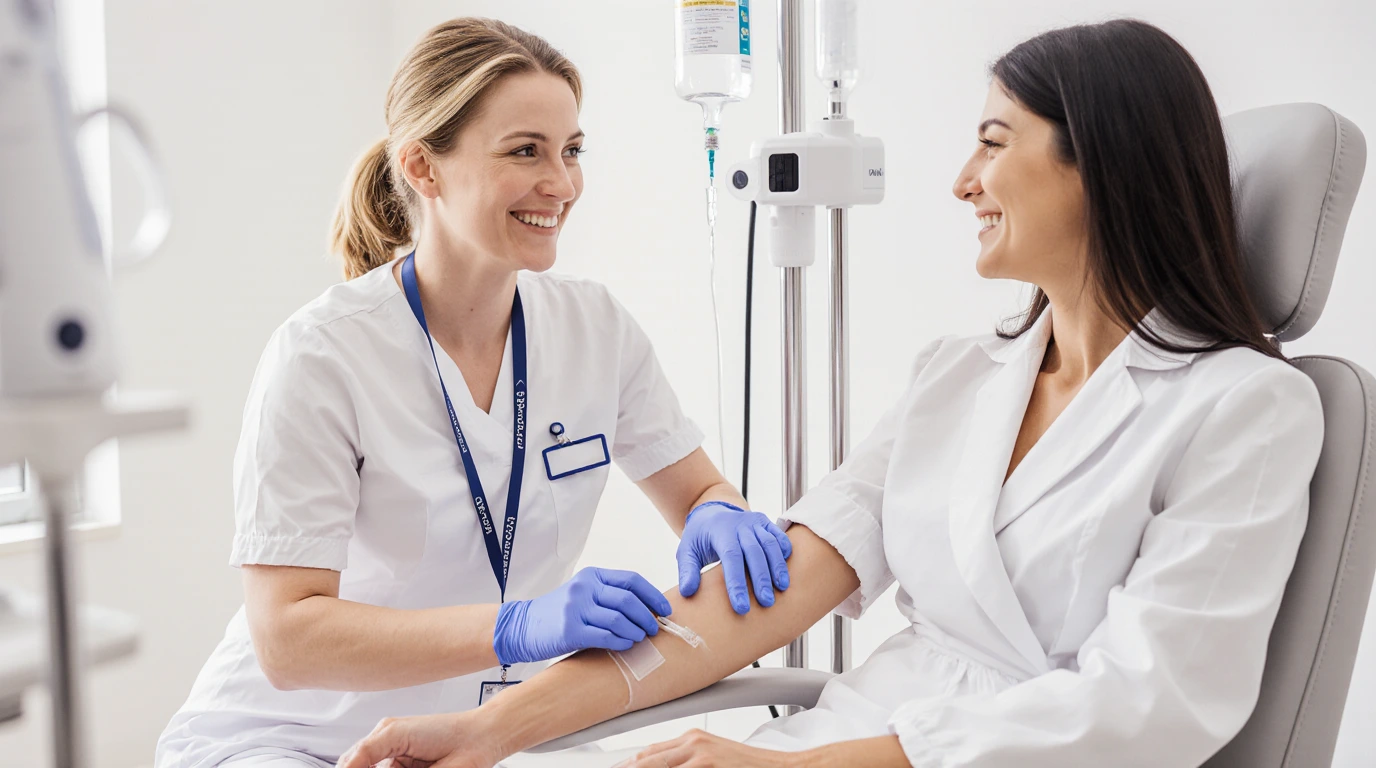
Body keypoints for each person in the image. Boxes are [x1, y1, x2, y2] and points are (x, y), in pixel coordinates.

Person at [336, 19, 1325, 768]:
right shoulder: (958, 373)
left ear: (1100, 166)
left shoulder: (1244, 409)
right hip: (855, 729)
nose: (959, 181)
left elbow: (1150, 708)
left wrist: (798, 765)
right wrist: (482, 731)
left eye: (992, 141)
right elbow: (756, 602)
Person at [155, 18, 791, 768]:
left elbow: (698, 490)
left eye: (572, 151)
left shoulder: (594, 328)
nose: (561, 183)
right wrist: (518, 626)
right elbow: (287, 640)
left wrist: (720, 509)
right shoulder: (326, 354)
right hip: (295, 741)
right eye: (526, 151)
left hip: (488, 738)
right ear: (423, 168)